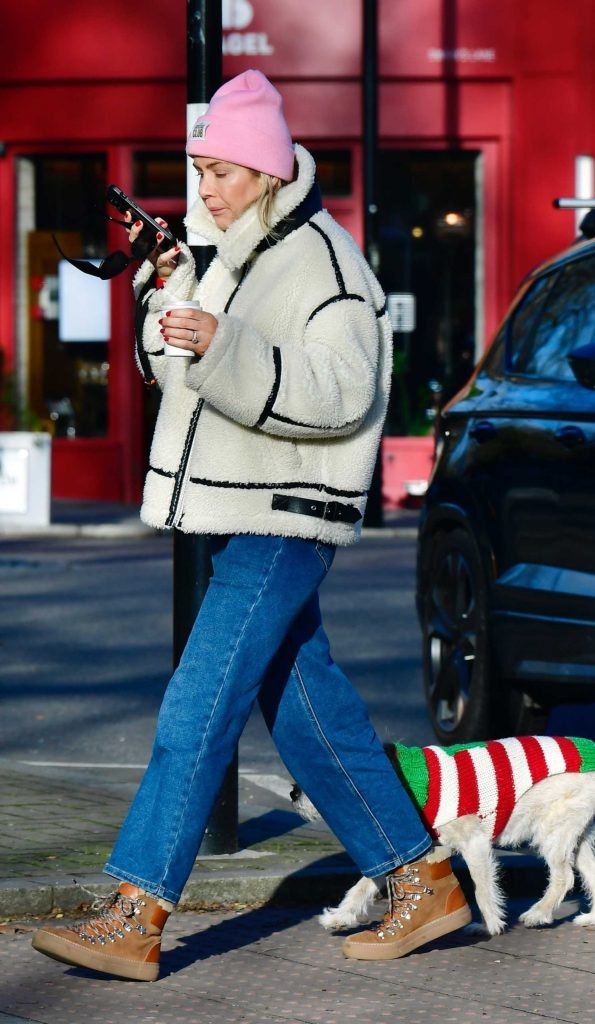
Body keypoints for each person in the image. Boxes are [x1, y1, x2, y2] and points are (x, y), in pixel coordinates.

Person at [32, 69, 470, 981]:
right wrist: (172, 305)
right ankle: (420, 879)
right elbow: (184, 373)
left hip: (287, 516)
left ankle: (137, 909)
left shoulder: (323, 259)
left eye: (221, 173)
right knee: (308, 716)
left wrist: (223, 343)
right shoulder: (238, 250)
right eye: (199, 173)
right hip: (247, 512)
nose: (205, 190)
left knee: (196, 708)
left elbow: (346, 392)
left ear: (267, 171)